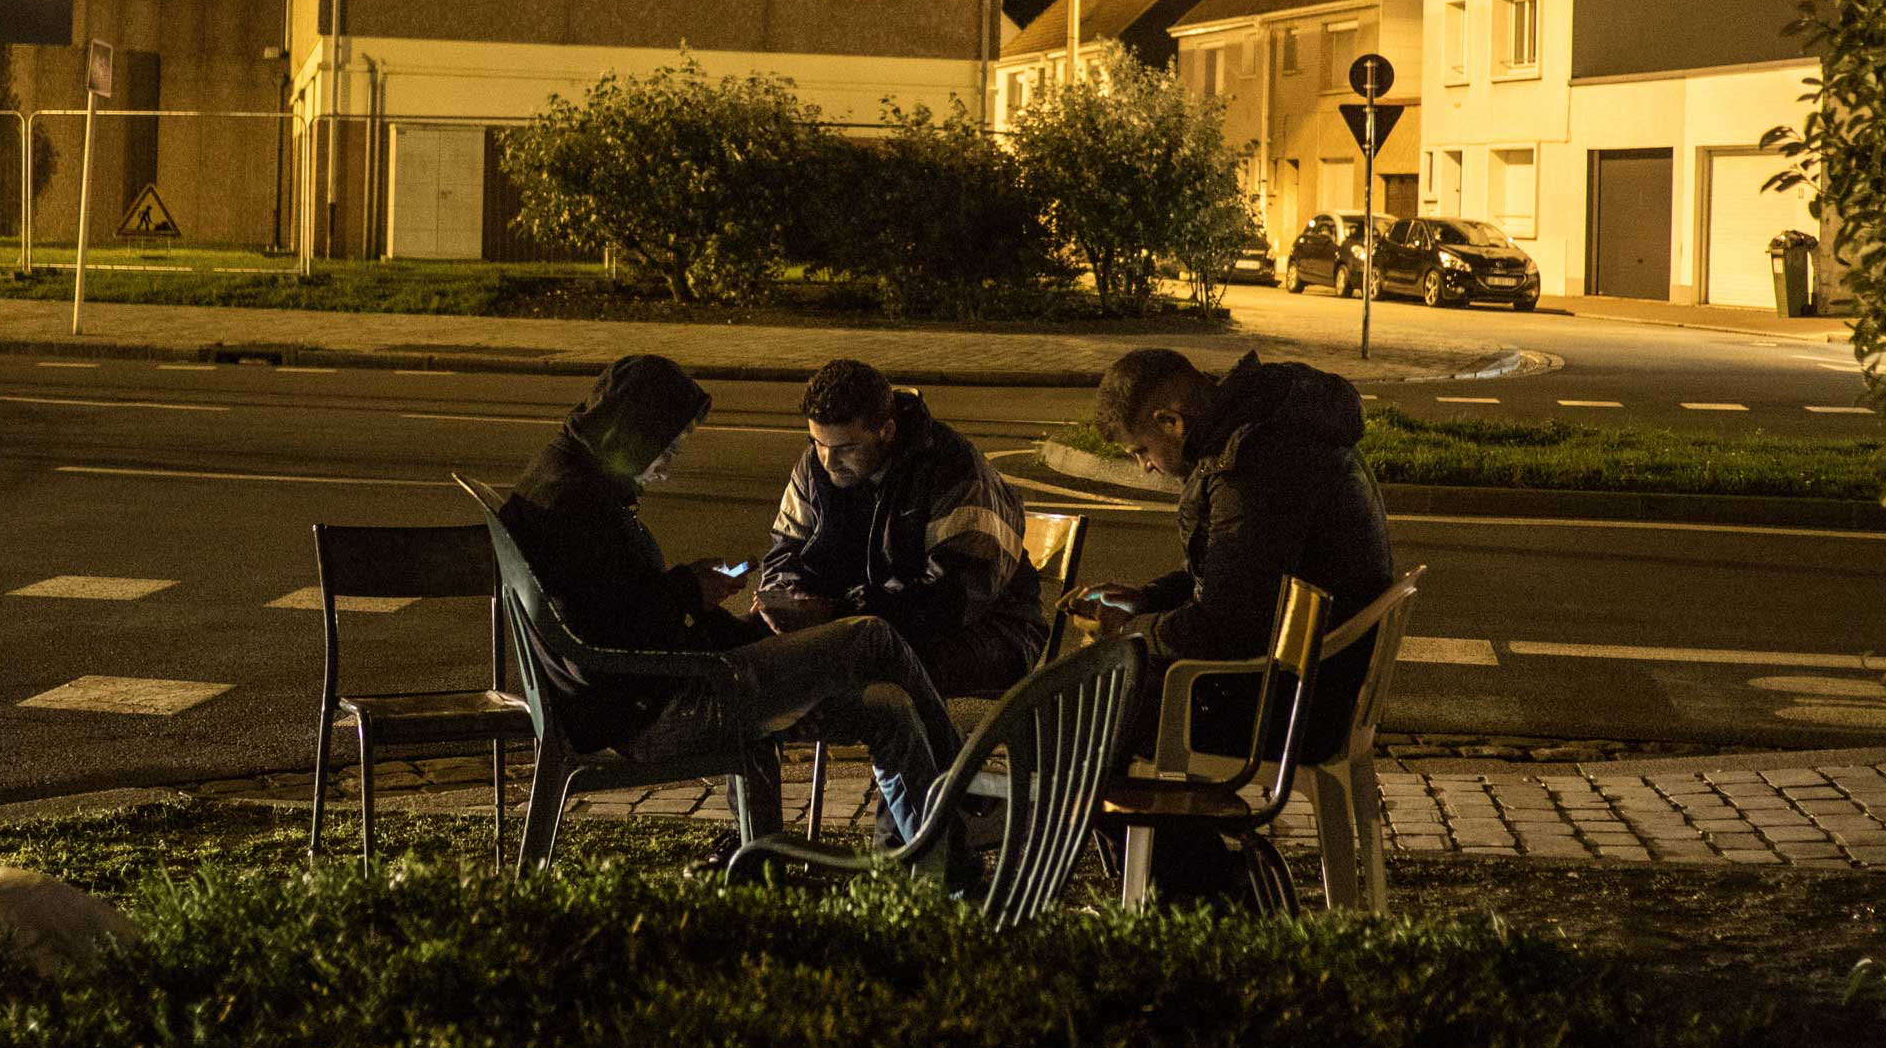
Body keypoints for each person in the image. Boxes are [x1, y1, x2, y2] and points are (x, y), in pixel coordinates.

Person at [499, 353, 966, 854]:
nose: (672, 456)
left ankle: (939, 858)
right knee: (870, 635)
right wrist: (688, 594)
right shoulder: (576, 504)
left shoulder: (564, 478)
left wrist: (733, 622)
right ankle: (967, 792)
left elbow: (618, 607)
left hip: (647, 692)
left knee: (889, 709)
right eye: (669, 443)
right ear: (636, 430)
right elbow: (608, 631)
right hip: (655, 711)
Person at [1077, 346, 1395, 899]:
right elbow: (1238, 572)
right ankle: (1200, 885)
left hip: (1296, 703)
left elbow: (1225, 623)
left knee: (1095, 722)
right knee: (1108, 710)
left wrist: (1130, 636)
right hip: (1313, 676)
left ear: (1169, 422)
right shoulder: (1264, 431)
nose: (1145, 466)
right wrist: (1149, 599)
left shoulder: (1254, 463)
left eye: (1141, 452)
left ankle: (1210, 898)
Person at [757, 358, 1045, 697]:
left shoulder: (951, 468)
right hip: (861, 624)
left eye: (847, 448)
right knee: (746, 652)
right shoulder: (814, 467)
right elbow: (785, 551)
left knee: (866, 665)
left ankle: (935, 750)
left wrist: (840, 614)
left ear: (887, 431)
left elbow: (955, 598)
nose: (829, 462)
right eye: (818, 443)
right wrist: (786, 598)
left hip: (991, 632)